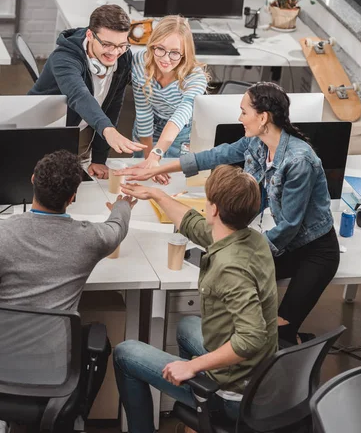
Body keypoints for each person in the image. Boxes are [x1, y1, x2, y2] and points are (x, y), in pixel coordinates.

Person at [117, 82, 340, 345]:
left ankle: (291, 352)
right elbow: (215, 155)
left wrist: (241, 252)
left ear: (263, 117)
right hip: (285, 245)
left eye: (244, 112)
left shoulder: (299, 161)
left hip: (314, 251)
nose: (239, 118)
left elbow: (289, 226)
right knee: (238, 292)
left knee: (281, 330)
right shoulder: (256, 143)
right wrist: (154, 169)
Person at [114, 165, 277, 433]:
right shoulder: (251, 238)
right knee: (187, 325)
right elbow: (194, 225)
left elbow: (252, 337)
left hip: (233, 394)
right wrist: (157, 195)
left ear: (213, 209)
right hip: (259, 374)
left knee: (125, 353)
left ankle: (198, 405)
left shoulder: (230, 267)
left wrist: (192, 366)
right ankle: (198, 419)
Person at [0, 150, 137, 420]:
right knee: (101, 342)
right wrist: (123, 205)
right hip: (55, 370)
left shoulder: (4, 233)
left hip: (4, 360)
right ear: (73, 196)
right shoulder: (89, 238)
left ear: (32, 180)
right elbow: (116, 228)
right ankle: (73, 416)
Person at [28, 4, 146, 179]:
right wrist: (108, 130)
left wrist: (99, 158)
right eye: (107, 44)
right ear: (90, 35)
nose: (114, 53)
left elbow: (112, 105)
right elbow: (79, 95)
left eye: (122, 45)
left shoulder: (123, 57)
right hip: (41, 133)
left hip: (79, 132)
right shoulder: (64, 58)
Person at [131, 15, 207, 172]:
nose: (166, 59)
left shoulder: (195, 77)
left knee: (171, 178)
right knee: (140, 172)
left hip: (180, 131)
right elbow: (143, 111)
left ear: (185, 53)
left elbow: (181, 114)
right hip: (148, 126)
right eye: (160, 49)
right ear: (152, 45)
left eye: (175, 53)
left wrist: (156, 154)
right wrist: (149, 158)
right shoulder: (140, 62)